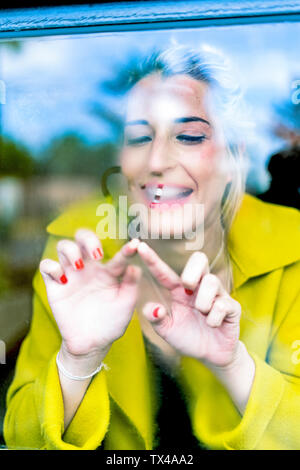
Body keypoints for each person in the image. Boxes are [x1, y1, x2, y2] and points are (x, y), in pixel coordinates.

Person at [4, 46, 300, 450]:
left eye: (190, 135)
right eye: (140, 137)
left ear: (235, 156)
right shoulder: (75, 248)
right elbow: (22, 440)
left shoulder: (293, 247)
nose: (156, 160)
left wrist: (234, 367)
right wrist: (78, 361)